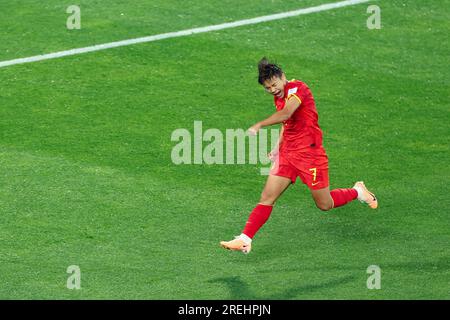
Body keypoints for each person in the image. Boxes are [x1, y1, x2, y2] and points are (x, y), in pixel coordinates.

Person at [220, 58, 377, 254]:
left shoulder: (297, 89)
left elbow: (287, 114)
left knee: (324, 204)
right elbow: (287, 124)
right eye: (267, 88)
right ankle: (244, 239)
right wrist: (278, 147)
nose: (272, 90)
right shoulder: (279, 96)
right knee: (267, 197)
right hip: (288, 154)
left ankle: (357, 191)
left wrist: (260, 124)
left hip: (310, 155)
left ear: (282, 77)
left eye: (274, 85)